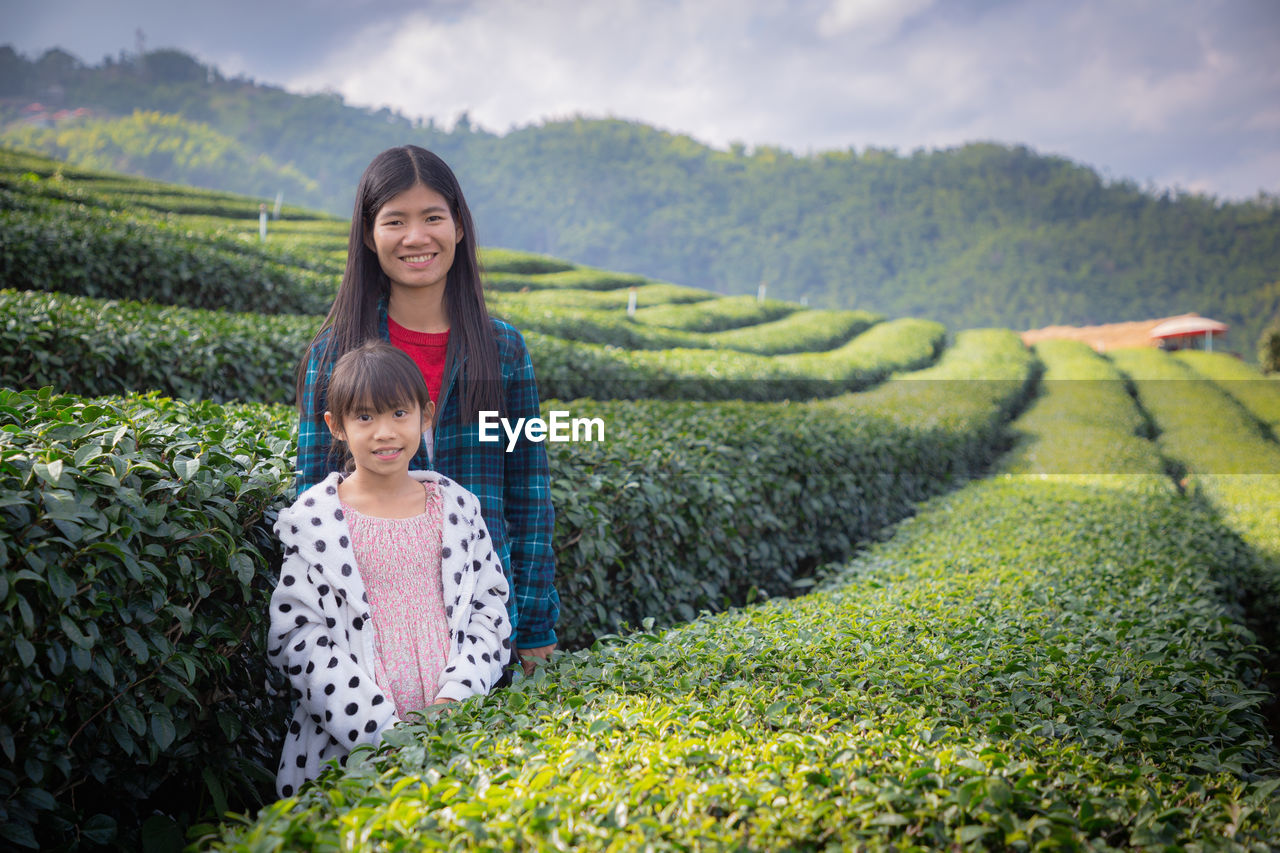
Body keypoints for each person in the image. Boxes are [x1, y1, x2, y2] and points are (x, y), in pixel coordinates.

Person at [294, 145, 558, 675]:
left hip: (481, 621)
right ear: (370, 236)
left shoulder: (504, 351)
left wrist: (531, 625)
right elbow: (310, 497)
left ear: (458, 226)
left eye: (433, 217)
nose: (417, 237)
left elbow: (529, 492)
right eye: (396, 221)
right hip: (367, 629)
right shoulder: (335, 351)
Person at [270, 341, 512, 798]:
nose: (385, 432)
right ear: (335, 426)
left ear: (427, 415)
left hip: (455, 735)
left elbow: (490, 611)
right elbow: (298, 637)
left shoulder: (458, 510)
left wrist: (454, 701)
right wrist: (381, 730)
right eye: (365, 417)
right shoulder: (313, 521)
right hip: (348, 746)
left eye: (400, 413)